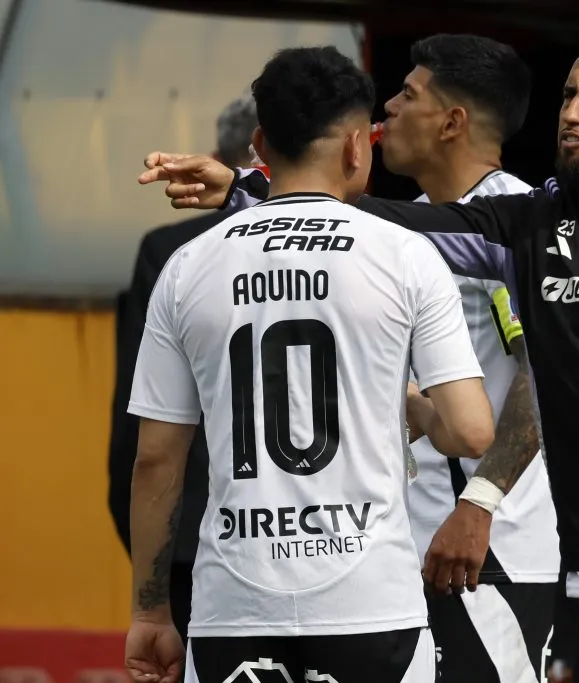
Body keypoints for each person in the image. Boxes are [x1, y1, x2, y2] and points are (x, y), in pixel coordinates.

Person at [136, 18, 579, 683]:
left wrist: (479, 499)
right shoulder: (529, 222)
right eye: (569, 95)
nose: (571, 113)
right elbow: (385, 224)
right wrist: (249, 189)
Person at [124, 46, 494, 683]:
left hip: (233, 605)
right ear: (355, 147)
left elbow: (157, 458)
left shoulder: (187, 267)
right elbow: (471, 431)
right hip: (371, 605)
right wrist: (410, 405)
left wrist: (150, 610)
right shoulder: (406, 255)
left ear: (260, 146)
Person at [379, 34, 563, 683]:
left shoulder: (519, 224)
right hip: (405, 547)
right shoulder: (405, 225)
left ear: (452, 121)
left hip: (487, 551)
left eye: (408, 95)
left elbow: (547, 373)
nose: (388, 108)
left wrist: (478, 505)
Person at [108, 92, 258, 646]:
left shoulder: (173, 253)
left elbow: (141, 426)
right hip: (334, 540)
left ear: (216, 162)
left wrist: (146, 554)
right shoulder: (370, 244)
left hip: (195, 536)